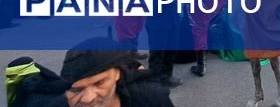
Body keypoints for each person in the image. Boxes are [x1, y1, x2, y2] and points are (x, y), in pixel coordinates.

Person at [7, 37, 174, 107]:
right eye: (77, 89)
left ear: (117, 74)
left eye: (99, 83)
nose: (88, 98)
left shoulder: (151, 97)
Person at [144, 0, 182, 88]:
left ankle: (167, 76)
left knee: (171, 51)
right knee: (157, 53)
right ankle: (154, 81)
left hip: (173, 20)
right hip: (157, 23)